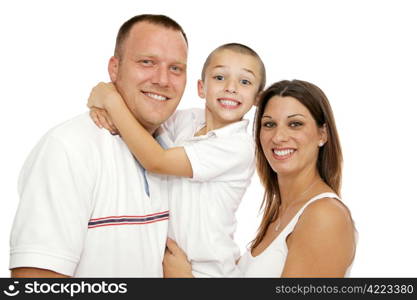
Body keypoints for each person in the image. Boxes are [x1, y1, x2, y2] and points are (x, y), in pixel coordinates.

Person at [9, 14, 188, 277]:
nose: (162, 79)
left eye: (176, 68)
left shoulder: (181, 145)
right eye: (147, 62)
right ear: (114, 69)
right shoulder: (68, 149)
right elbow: (36, 282)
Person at [87, 43, 266, 277]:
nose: (231, 88)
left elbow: (157, 160)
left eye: (245, 82)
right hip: (163, 264)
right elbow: (141, 119)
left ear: (257, 98)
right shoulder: (188, 120)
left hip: (208, 273)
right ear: (202, 87)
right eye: (220, 77)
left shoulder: (238, 146)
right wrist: (99, 102)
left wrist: (110, 100)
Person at [162, 80, 357, 277]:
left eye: (295, 124)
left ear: (322, 134)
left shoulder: (325, 216)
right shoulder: (280, 213)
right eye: (269, 124)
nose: (279, 137)